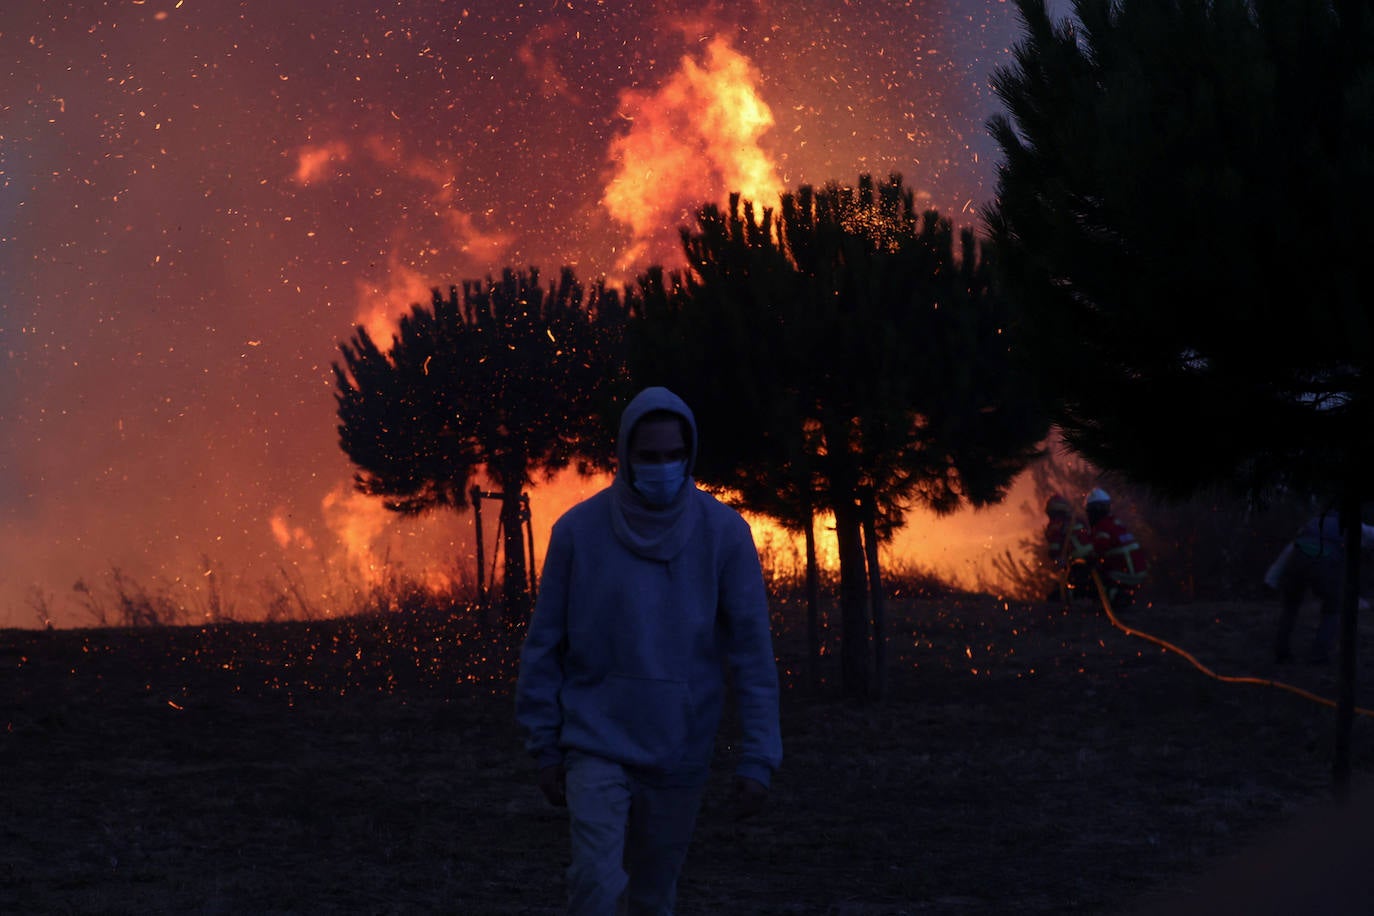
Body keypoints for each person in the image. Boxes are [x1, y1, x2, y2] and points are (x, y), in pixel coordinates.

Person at [514, 386, 783, 916]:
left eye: (672, 456)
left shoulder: (724, 534)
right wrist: (543, 744)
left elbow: (752, 654)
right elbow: (544, 644)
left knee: (653, 898)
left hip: (679, 748)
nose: (661, 467)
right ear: (625, 455)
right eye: (649, 456)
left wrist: (760, 758)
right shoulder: (577, 533)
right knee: (594, 886)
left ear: (689, 455)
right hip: (596, 743)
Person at [1272, 511, 1374, 664]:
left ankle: (1281, 650)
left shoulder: (1313, 522)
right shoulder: (1354, 526)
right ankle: (1319, 655)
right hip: (1325, 561)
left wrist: (1271, 578)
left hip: (1298, 559)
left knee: (1291, 607)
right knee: (1332, 609)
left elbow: (1290, 548)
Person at [1084, 488, 1148, 611]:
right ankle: (1121, 594)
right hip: (1139, 571)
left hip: (1126, 574)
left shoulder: (1102, 528)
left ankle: (1115, 597)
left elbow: (1098, 551)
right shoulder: (1115, 523)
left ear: (1093, 511)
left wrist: (1086, 560)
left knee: (1092, 577)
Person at [1043, 493, 1093, 601]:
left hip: (1076, 560)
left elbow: (1054, 547)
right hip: (1092, 557)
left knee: (1071, 584)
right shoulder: (1077, 519)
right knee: (1089, 581)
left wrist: (1056, 558)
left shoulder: (1055, 524)